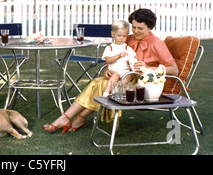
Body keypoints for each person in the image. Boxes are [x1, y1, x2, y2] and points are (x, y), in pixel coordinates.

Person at [43, 8, 178, 134]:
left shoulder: (157, 43)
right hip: (122, 76)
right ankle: (68, 117)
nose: (135, 31)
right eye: (134, 27)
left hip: (143, 84)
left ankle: (74, 117)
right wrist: (108, 70)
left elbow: (174, 70)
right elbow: (117, 60)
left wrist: (149, 68)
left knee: (101, 86)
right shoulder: (129, 38)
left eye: (140, 28)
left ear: (150, 27)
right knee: (97, 82)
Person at [101, 19, 137, 97]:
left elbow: (132, 61)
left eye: (124, 36)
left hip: (124, 73)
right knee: (115, 76)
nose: (121, 38)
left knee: (129, 75)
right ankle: (106, 94)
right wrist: (119, 56)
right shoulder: (109, 48)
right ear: (113, 34)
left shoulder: (128, 49)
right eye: (119, 35)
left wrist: (133, 66)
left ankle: (118, 91)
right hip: (113, 73)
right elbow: (108, 60)